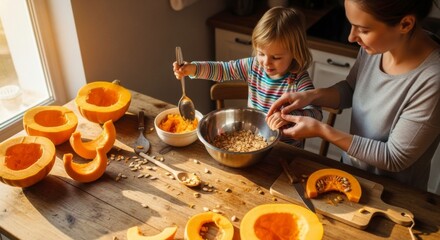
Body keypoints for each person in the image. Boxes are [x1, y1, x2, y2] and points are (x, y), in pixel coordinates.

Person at [266, 0, 440, 192]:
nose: (351, 37)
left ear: (405, 24)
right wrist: (311, 96)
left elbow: (394, 157)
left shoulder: (433, 79)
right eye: (352, 25)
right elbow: (351, 88)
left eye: (363, 30)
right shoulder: (377, 47)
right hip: (351, 173)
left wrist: (322, 131)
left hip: (395, 194)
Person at [173, 7, 322, 147]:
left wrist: (289, 116)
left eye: (276, 57)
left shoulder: (299, 80)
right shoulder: (253, 66)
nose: (266, 62)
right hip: (253, 143)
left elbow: (316, 114)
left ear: (295, 53)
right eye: (261, 53)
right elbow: (223, 70)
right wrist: (192, 69)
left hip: (286, 149)